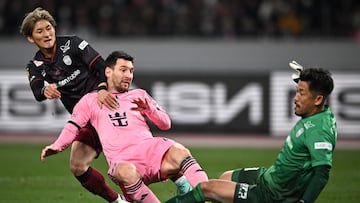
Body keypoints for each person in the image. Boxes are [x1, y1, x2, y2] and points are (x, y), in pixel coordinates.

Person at [40, 50, 209, 203]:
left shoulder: (139, 94)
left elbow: (165, 124)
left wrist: (150, 110)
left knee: (181, 151)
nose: (128, 75)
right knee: (126, 172)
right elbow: (73, 126)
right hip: (123, 161)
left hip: (150, 150)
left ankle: (208, 194)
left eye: (131, 71)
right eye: (123, 70)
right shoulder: (90, 101)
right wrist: (58, 146)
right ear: (108, 71)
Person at [164, 62, 337, 203]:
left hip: (271, 195)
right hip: (270, 177)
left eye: (301, 93)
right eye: (297, 91)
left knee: (206, 189)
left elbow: (321, 172)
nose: (295, 97)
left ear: (318, 99)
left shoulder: (318, 130)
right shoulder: (321, 114)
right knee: (226, 177)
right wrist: (308, 77)